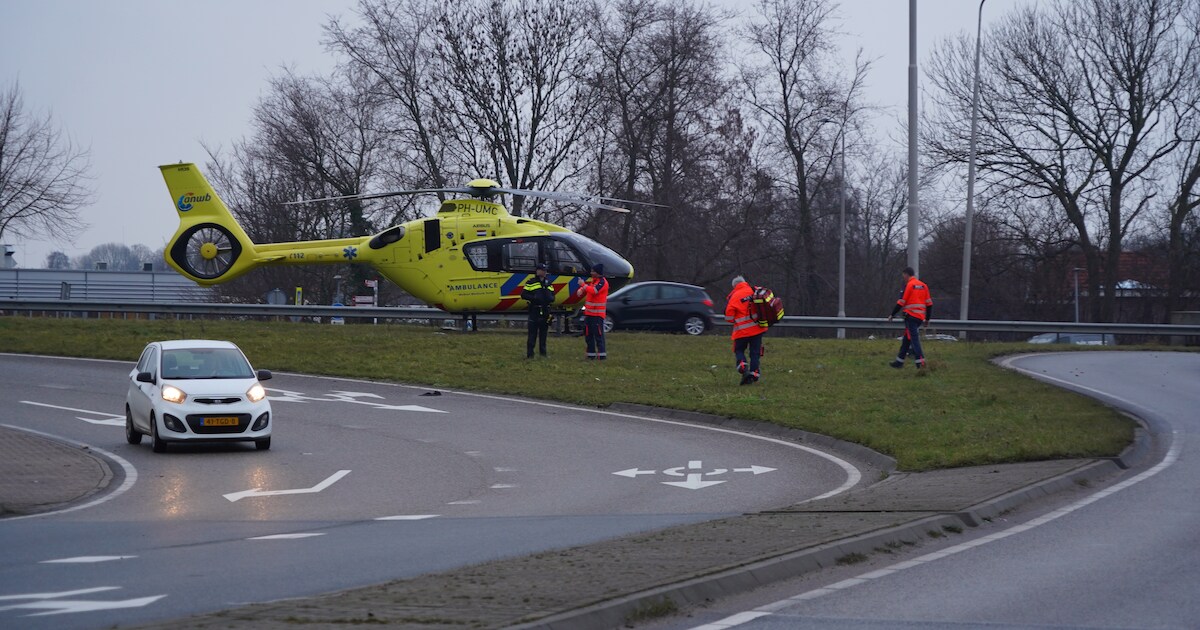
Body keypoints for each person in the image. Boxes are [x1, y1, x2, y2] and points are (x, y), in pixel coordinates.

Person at [888, 266, 933, 369]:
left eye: (903, 275)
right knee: (907, 339)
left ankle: (920, 362)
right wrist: (927, 319)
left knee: (914, 339)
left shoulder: (909, 285)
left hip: (911, 316)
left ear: (906, 274)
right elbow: (929, 304)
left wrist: (892, 314)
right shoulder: (923, 286)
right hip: (919, 317)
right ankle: (899, 361)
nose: (903, 277)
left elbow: (901, 302)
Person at [725, 275, 766, 385]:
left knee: (739, 350)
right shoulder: (755, 290)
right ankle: (755, 373)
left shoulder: (734, 296)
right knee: (755, 353)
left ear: (734, 286)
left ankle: (743, 366)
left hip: (742, 331)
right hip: (758, 329)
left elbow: (729, 318)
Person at [521, 263, 555, 358]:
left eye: (545, 271)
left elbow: (553, 295)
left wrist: (550, 298)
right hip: (534, 310)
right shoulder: (530, 282)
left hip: (545, 311)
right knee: (532, 334)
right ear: (537, 271)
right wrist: (534, 298)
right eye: (542, 270)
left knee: (543, 334)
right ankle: (530, 354)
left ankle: (543, 353)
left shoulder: (548, 282)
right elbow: (523, 295)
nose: (544, 272)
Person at [575, 263, 608, 359]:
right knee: (588, 335)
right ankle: (591, 355)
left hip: (597, 314)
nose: (591, 273)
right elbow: (588, 288)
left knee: (598, 335)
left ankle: (602, 355)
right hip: (589, 313)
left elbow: (594, 291)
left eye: (593, 271)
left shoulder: (602, 282)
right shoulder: (594, 281)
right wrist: (581, 290)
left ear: (598, 273)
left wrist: (583, 285)